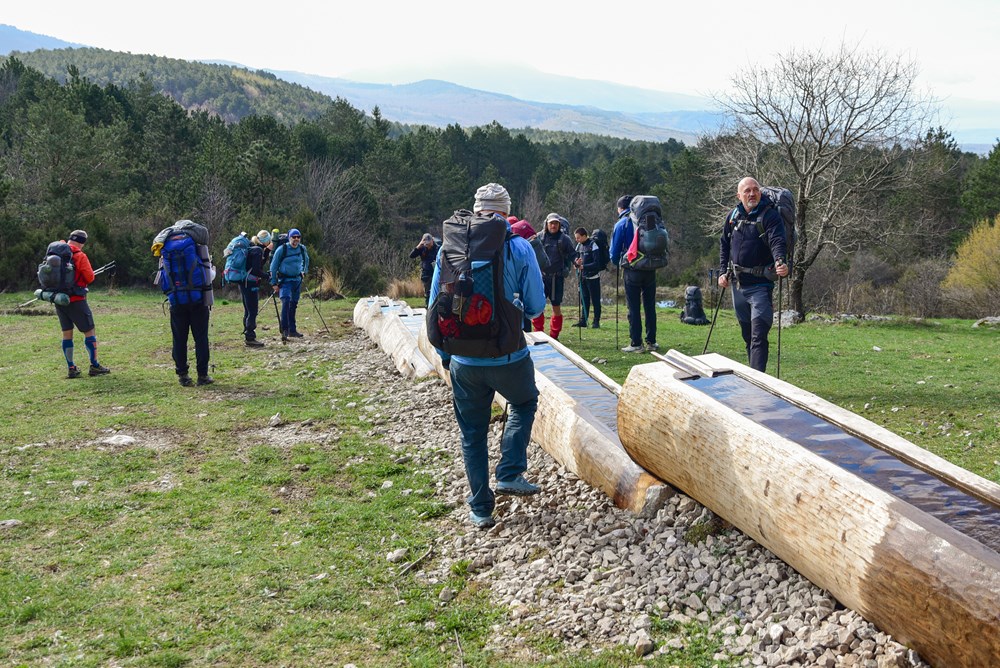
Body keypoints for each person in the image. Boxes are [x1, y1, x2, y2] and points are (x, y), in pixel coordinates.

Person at [429, 183, 545, 530]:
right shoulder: (519, 247)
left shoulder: (447, 248)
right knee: (524, 403)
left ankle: (481, 509)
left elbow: (435, 305)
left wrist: (444, 355)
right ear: (506, 212)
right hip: (508, 354)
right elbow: (537, 305)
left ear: (476, 209)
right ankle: (510, 471)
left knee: (472, 434)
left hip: (463, 359)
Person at [719, 176, 789, 373]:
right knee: (748, 336)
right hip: (738, 285)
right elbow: (724, 244)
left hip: (761, 286)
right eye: (747, 190)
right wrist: (723, 271)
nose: (752, 194)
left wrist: (780, 262)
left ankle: (757, 382)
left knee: (759, 336)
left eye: (755, 189)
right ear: (739, 195)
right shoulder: (733, 216)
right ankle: (755, 377)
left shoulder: (770, 216)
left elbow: (778, 241)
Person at [158, 220, 214, 386]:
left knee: (179, 338)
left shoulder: (166, 245)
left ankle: (183, 375)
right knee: (201, 338)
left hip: (176, 299)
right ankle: (202, 376)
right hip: (197, 298)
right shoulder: (196, 244)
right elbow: (207, 273)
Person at [56, 230, 111, 378]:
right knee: (89, 330)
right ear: (83, 242)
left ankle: (71, 368)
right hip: (76, 300)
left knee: (67, 333)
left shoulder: (56, 252)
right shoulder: (80, 256)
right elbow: (89, 277)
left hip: (59, 299)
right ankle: (94, 366)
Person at [610, 195, 658, 352]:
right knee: (650, 305)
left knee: (634, 307)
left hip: (632, 270)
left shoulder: (622, 224)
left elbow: (614, 253)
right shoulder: (651, 220)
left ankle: (636, 343)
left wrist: (619, 262)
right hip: (650, 268)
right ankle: (652, 342)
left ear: (621, 208)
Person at [533, 213, 575, 339]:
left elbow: (572, 254)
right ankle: (538, 333)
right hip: (541, 277)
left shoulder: (565, 239)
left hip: (557, 278)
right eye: (551, 223)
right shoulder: (539, 237)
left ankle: (554, 336)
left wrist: (577, 262)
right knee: (538, 306)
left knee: (556, 306)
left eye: (556, 223)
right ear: (546, 224)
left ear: (559, 224)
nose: (553, 225)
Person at [270, 228, 310, 338]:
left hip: (297, 280)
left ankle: (292, 330)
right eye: (294, 237)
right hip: (284, 281)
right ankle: (285, 330)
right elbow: (273, 266)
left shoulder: (302, 249)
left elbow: (306, 260)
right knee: (286, 302)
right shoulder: (282, 249)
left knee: (293, 305)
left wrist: (304, 271)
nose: (296, 239)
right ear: (289, 238)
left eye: (298, 237)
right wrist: (274, 282)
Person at [242, 230, 273, 347]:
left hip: (244, 282)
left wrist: (267, 252)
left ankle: (247, 334)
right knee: (252, 310)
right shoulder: (258, 250)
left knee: (247, 309)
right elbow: (256, 270)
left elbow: (257, 265)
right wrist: (267, 276)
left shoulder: (253, 248)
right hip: (250, 283)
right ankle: (250, 337)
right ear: (266, 240)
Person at [571, 227, 602, 328]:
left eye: (578, 238)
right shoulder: (579, 246)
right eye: (576, 238)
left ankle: (596, 321)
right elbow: (575, 259)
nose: (577, 240)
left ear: (584, 236)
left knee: (595, 300)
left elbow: (597, 263)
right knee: (584, 299)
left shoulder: (593, 245)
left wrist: (584, 267)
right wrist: (576, 263)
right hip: (582, 277)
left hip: (593, 277)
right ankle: (583, 320)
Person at [409, 233, 438, 306]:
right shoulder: (422, 248)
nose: (427, 245)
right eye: (426, 244)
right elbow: (411, 256)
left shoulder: (437, 248)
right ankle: (428, 308)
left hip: (436, 272)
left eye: (429, 243)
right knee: (428, 293)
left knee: (436, 292)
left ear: (432, 241)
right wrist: (418, 247)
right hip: (426, 273)